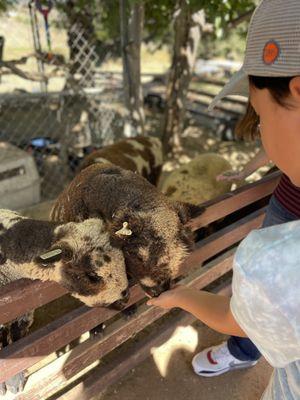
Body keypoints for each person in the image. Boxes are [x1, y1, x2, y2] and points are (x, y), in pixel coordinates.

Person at [147, 0, 300, 398]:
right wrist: (249, 171)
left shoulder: (275, 263)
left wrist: (180, 296)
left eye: (260, 115)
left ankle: (243, 351)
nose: (261, 129)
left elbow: (238, 318)